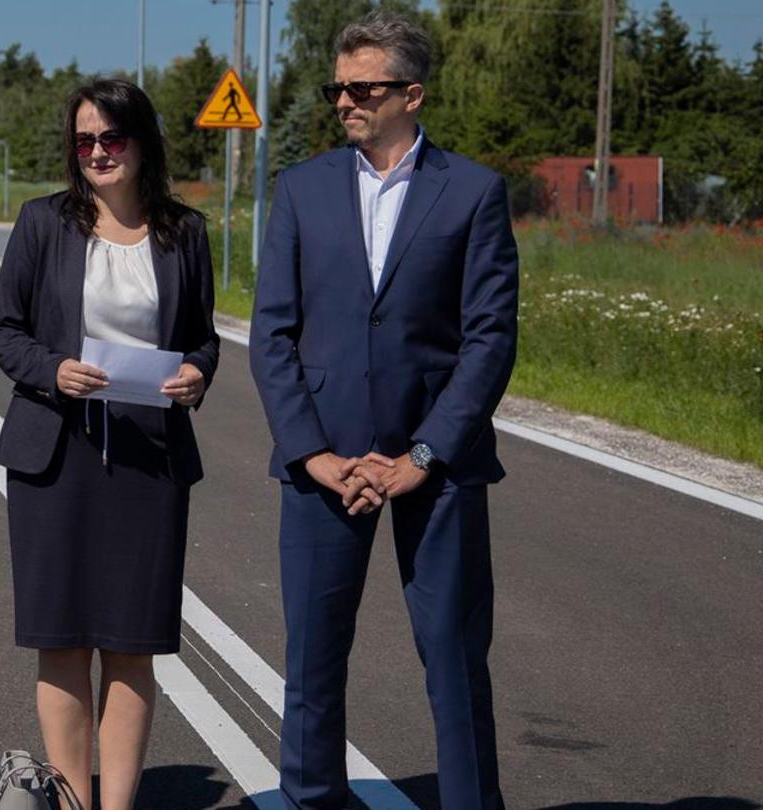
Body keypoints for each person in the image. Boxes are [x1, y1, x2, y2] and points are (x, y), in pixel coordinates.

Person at [248, 11, 518, 809]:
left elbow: (489, 341)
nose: (343, 101)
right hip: (322, 463)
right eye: (336, 86)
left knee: (454, 655)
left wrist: (423, 456)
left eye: (361, 87)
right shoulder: (300, 189)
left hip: (437, 468)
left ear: (412, 93)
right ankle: (311, 800)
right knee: (314, 658)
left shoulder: (473, 193)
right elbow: (273, 335)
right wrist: (311, 453)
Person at [0, 77, 218, 810]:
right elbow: (2, 330)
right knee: (62, 642)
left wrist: (195, 374)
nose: (97, 152)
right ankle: (73, 803)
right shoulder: (42, 223)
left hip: (149, 459)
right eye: (84, 140)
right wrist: (52, 369)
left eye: (111, 138)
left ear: (142, 142)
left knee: (130, 645)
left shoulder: (185, 232)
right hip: (56, 457)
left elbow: (203, 340)